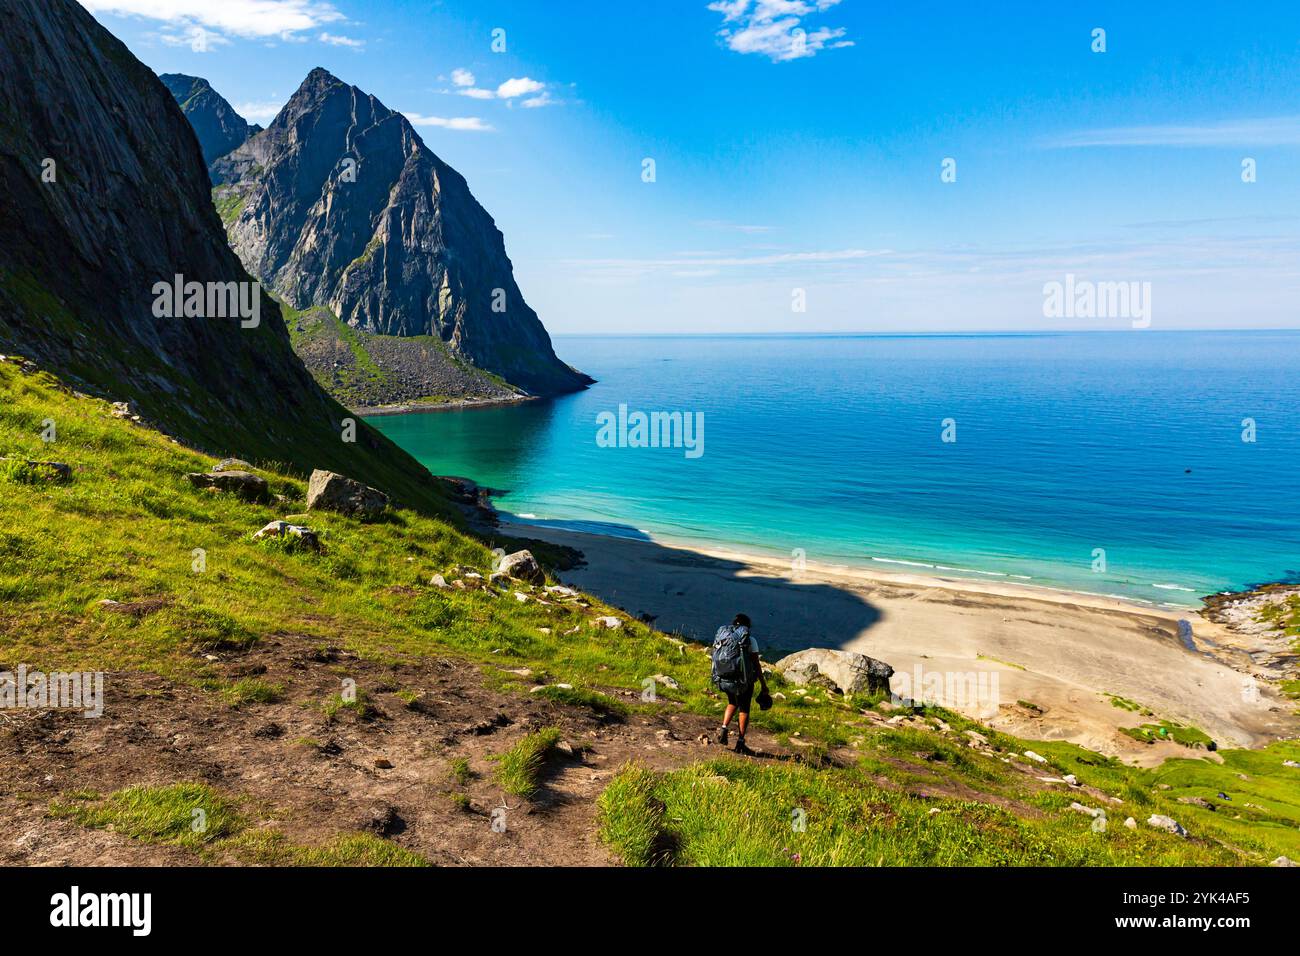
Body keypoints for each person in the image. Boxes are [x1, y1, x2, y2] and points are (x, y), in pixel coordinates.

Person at [711, 613, 768, 755]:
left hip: (725, 678)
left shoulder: (724, 636)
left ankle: (723, 729)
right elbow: (756, 663)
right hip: (743, 681)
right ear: (747, 626)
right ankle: (741, 742)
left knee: (732, 702)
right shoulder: (750, 640)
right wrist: (763, 684)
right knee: (744, 708)